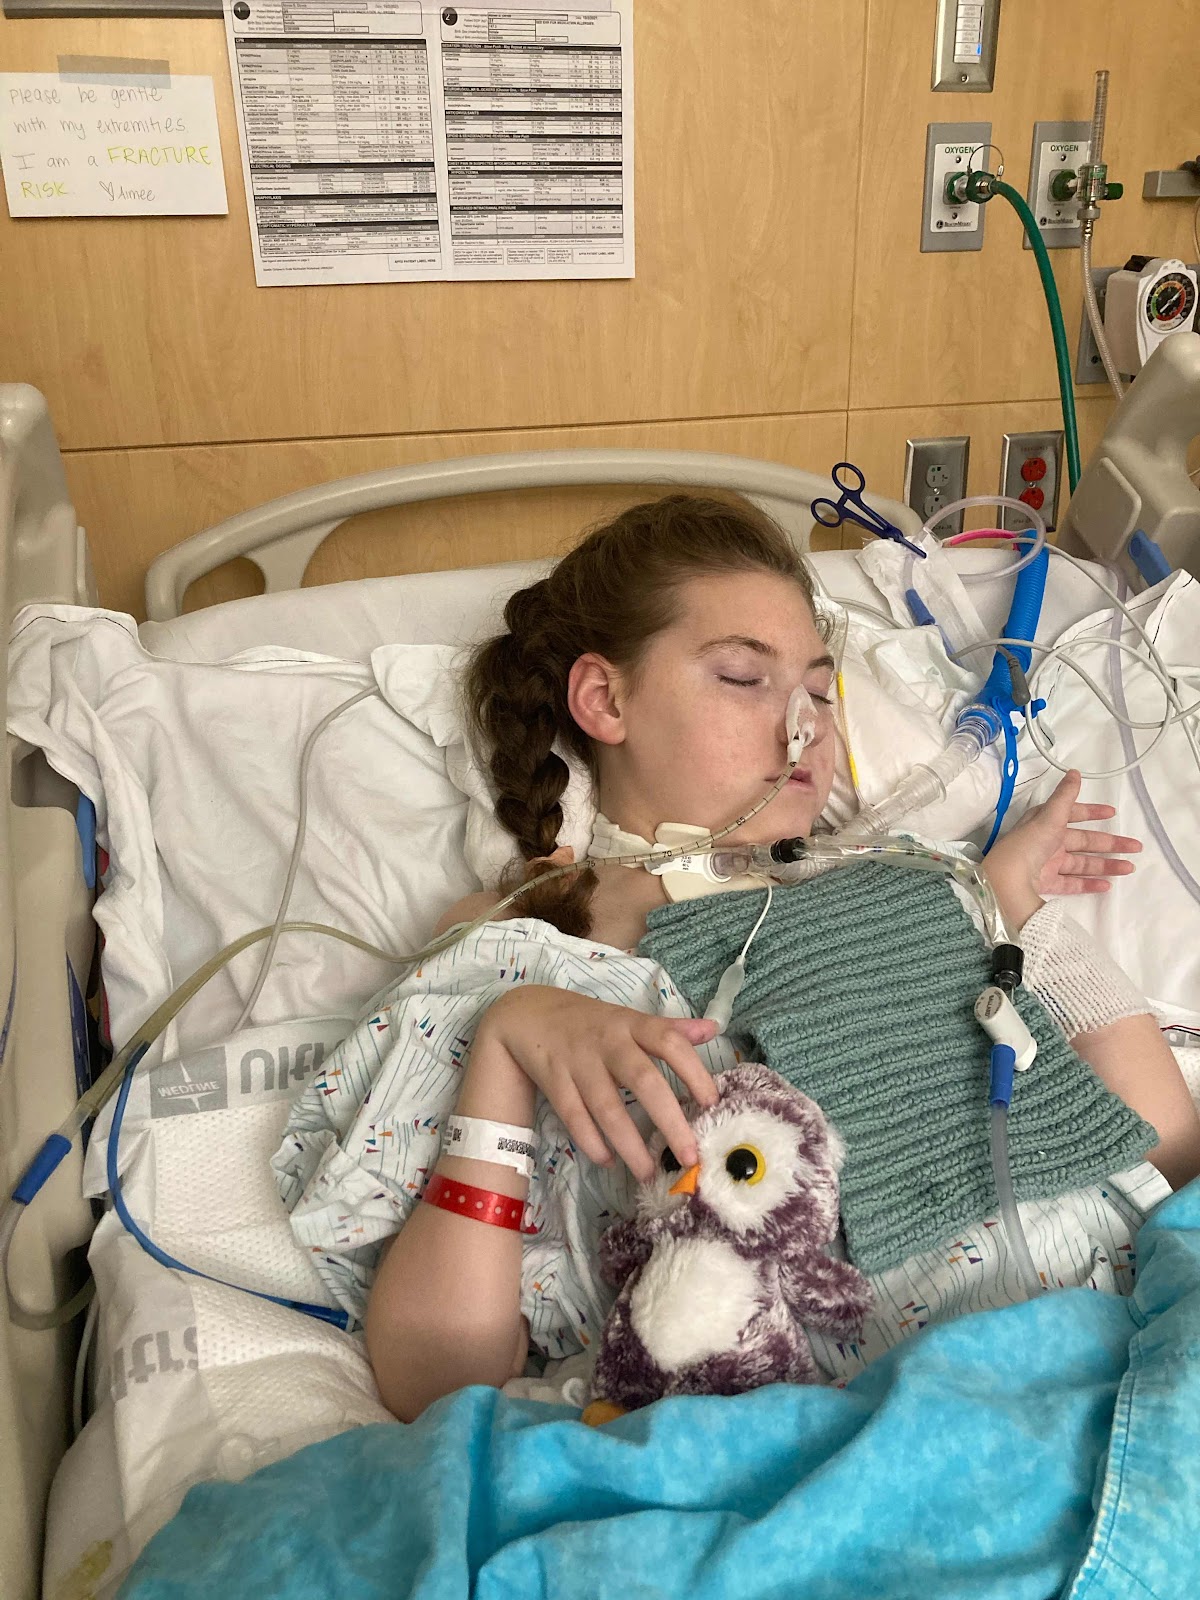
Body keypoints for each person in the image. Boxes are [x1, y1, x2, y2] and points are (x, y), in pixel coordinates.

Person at [345, 495, 1200, 1421]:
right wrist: (507, 1046)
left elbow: (1168, 1156)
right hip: (848, 1419)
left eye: (821, 692)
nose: (804, 723)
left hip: (1133, 1351)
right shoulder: (527, 939)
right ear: (605, 700)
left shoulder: (914, 881)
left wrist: (1011, 911)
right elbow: (434, 1382)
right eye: (744, 677)